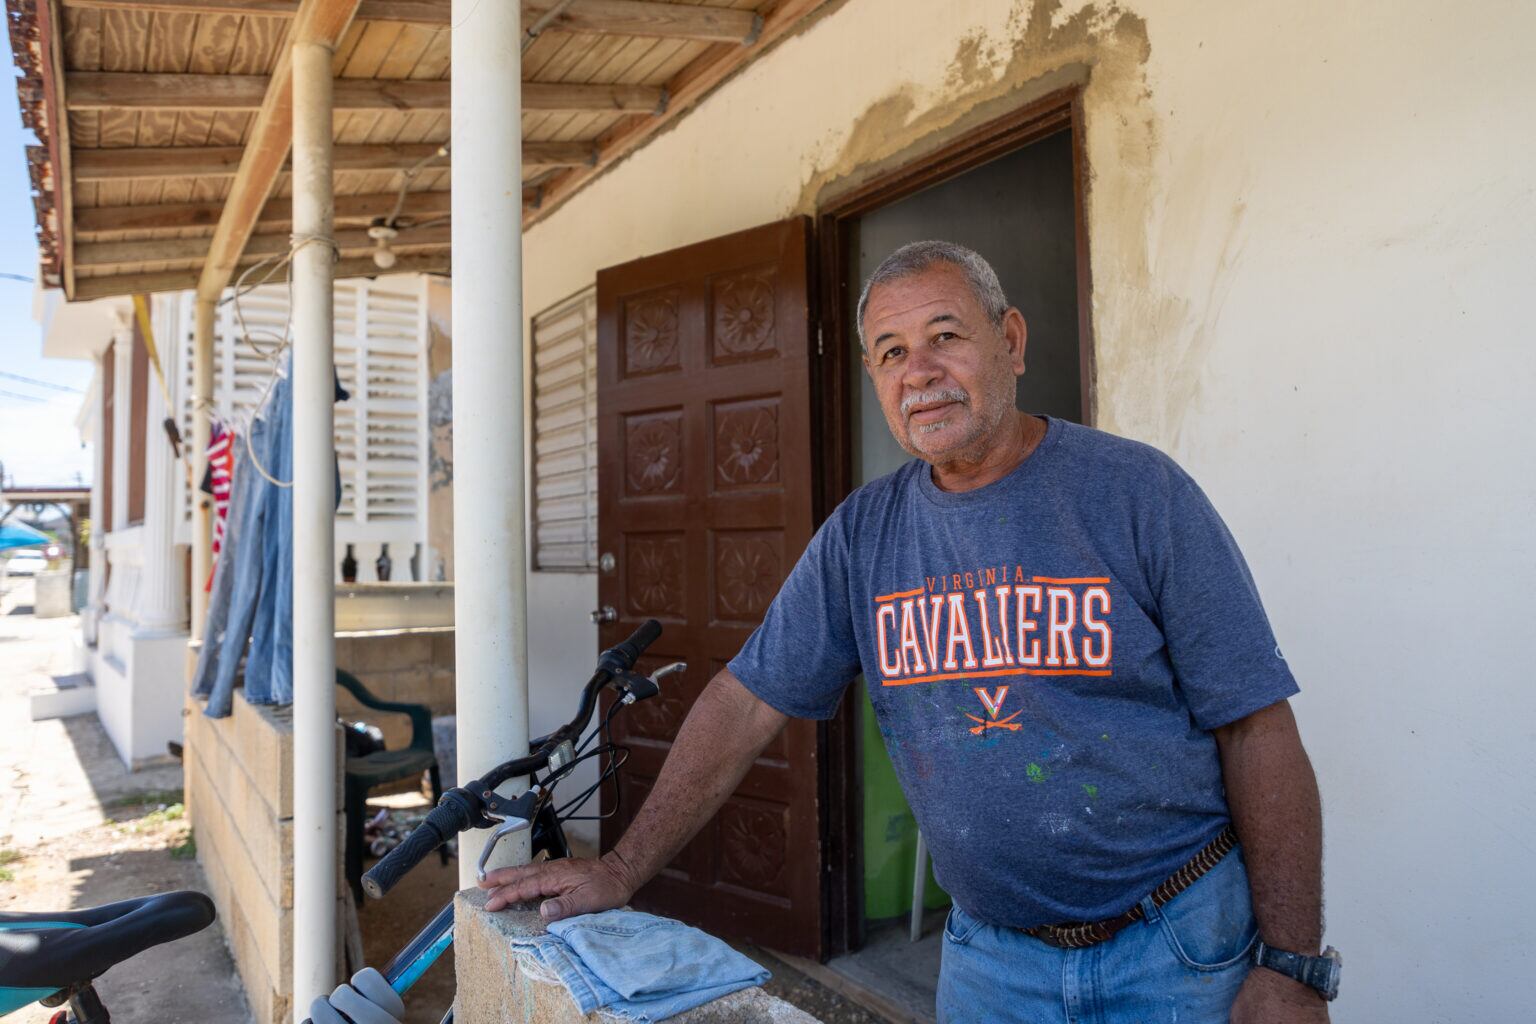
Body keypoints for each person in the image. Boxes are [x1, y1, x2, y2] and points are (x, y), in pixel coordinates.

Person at [481, 241, 1337, 1023]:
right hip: (991, 966)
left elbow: (1256, 725)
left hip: (1181, 947)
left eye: (945, 337)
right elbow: (745, 702)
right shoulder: (863, 538)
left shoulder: (1138, 494)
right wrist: (621, 867)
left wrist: (1291, 964)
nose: (919, 373)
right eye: (891, 354)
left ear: (1011, 341)